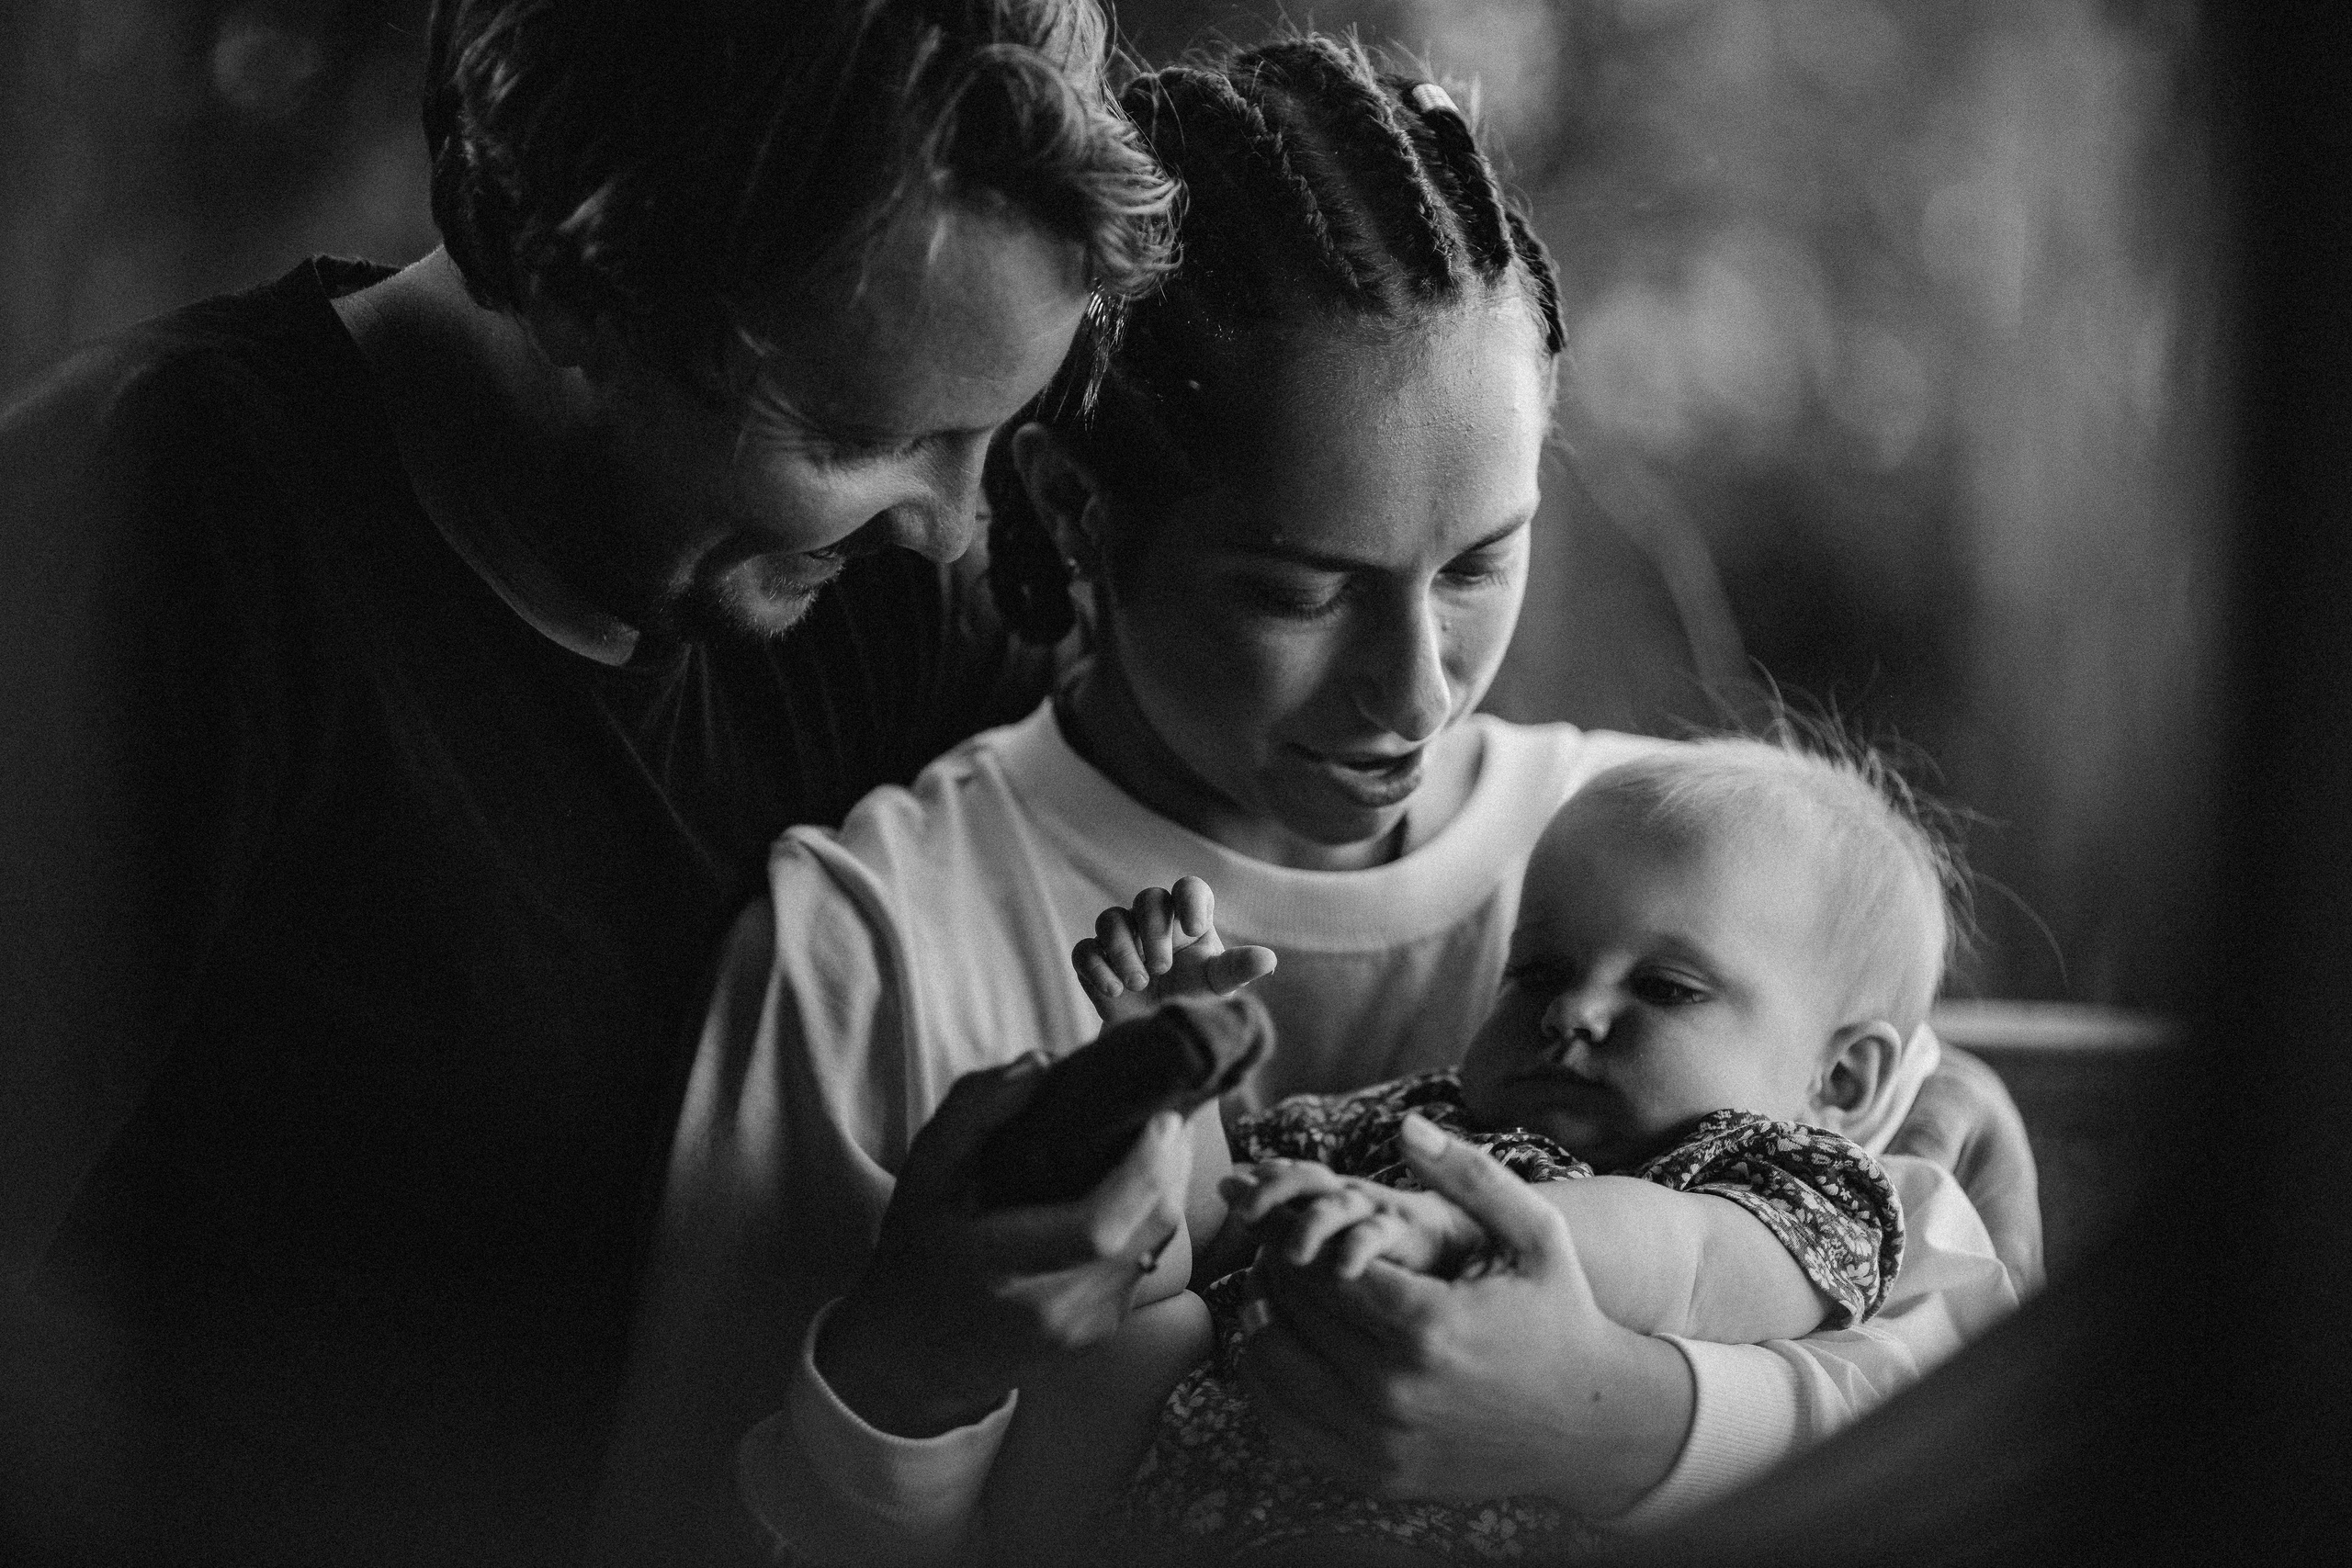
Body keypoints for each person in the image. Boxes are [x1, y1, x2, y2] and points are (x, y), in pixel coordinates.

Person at [600, 36, 2024, 1568]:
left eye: (1481, 562)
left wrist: (1627, 1418)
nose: (1414, 686)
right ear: (1081, 513)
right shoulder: (877, 947)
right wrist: (904, 1375)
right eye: (1300, 591)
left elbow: (1984, 1359)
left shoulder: (1682, 864)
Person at [0, 2, 1170, 1561]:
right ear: (575, 282)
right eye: (858, 435)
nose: (951, 529)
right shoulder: (138, 549)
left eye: (988, 437)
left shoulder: (884, 610)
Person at [989, 734, 1973, 1562]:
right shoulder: (1410, 1121)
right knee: (1139, 1328)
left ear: (1839, 1083)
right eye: (1540, 971)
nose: (1574, 1015)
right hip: (1213, 1521)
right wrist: (1173, 1070)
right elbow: (1211, 1230)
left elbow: (1681, 1262)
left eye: (1666, 988)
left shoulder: (1794, 1186)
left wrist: (1450, 1226)